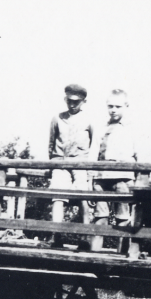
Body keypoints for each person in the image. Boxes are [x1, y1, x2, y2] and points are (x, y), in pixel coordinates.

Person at [89, 89, 139, 253]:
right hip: (102, 176)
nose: (114, 110)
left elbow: (140, 155)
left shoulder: (132, 128)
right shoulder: (102, 127)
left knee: (122, 218)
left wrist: (137, 180)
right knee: (100, 216)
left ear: (126, 106)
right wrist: (90, 179)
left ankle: (121, 256)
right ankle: (94, 255)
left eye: (118, 106)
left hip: (123, 178)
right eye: (110, 106)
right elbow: (93, 153)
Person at [46, 83, 95, 247]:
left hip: (81, 163)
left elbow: (93, 145)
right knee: (58, 198)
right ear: (65, 99)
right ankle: (56, 235)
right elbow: (51, 144)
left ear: (84, 102)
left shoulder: (89, 120)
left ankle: (85, 237)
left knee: (84, 199)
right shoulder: (58, 118)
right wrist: (53, 165)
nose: (72, 105)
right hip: (61, 163)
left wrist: (90, 172)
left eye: (76, 102)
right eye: (69, 101)